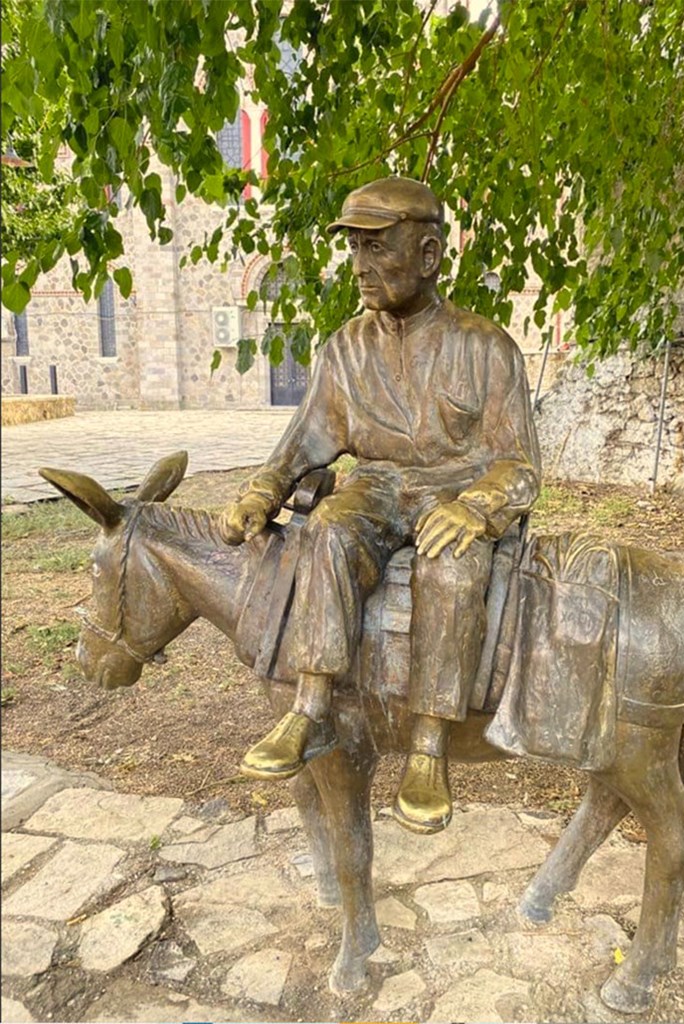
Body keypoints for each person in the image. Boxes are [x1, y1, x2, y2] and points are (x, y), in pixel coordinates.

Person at [220, 176, 541, 834]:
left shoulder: (486, 347)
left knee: (451, 564)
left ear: (428, 256)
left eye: (376, 248)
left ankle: (428, 748)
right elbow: (303, 439)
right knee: (327, 529)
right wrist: (263, 489)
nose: (360, 266)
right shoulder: (345, 348)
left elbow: (519, 464)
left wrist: (478, 508)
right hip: (376, 488)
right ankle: (309, 707)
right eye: (354, 249)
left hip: (455, 490)